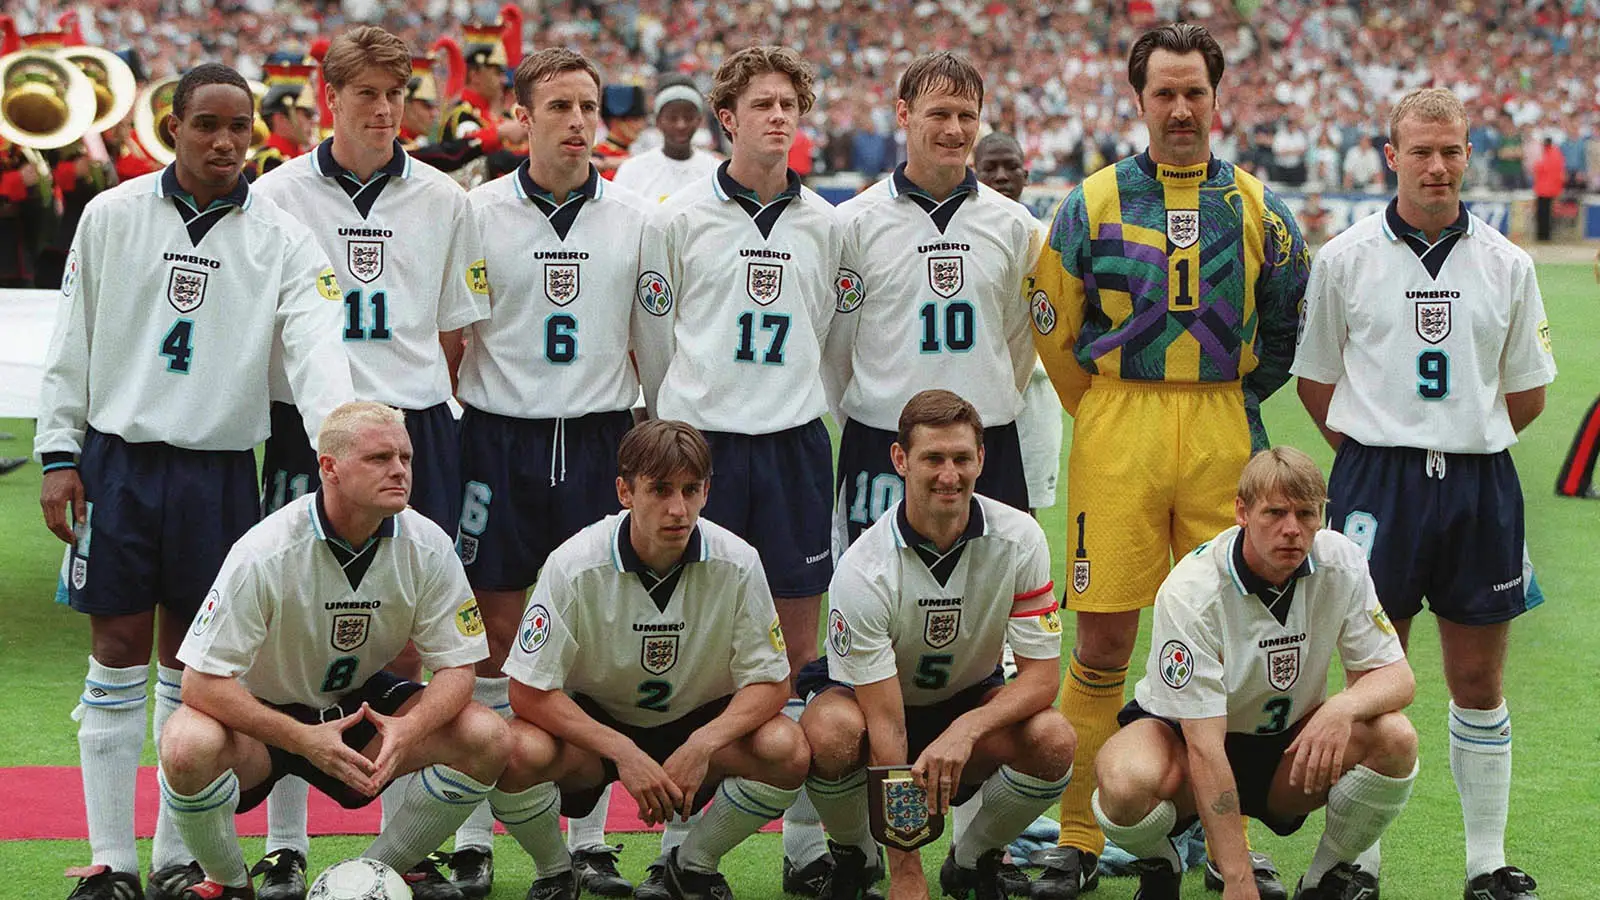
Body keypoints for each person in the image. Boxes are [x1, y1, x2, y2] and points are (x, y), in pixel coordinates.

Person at [33, 62, 353, 900]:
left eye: (238, 127)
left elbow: (316, 352)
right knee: (115, 653)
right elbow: (72, 337)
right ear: (172, 127)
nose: (223, 141)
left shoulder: (281, 236)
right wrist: (60, 454)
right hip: (119, 464)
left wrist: (343, 449)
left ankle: (176, 859)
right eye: (206, 124)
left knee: (195, 664)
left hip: (220, 474)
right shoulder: (112, 214)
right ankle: (111, 861)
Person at [1027, 23, 1309, 900]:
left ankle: (1230, 844)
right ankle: (1078, 838)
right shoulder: (1091, 201)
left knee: (1240, 639)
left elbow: (1284, 327)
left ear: (1218, 99)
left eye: (1195, 93)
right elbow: (1051, 321)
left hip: (1223, 425)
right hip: (1120, 427)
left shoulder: (1260, 208)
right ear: (1139, 99)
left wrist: (1233, 398)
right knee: (1104, 639)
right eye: (1165, 93)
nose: (1181, 109)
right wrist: (1102, 407)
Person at [1294, 87, 1556, 900]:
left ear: (1468, 155)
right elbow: (1316, 382)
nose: (1436, 166)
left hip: (1480, 481)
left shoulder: (1509, 263)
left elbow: (1527, 393)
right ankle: (1356, 862)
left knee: (1478, 681)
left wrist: (1457, 433)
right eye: (1420, 151)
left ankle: (1486, 864)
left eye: (1450, 151)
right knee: (1373, 679)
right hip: (1378, 482)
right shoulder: (1344, 258)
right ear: (1391, 156)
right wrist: (1378, 449)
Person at [249, 26, 490, 898]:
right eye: (367, 94)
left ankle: (410, 843)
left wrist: (402, 416)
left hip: (414, 424)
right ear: (331, 99)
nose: (386, 109)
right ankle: (285, 844)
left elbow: (455, 332)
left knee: (424, 627)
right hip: (308, 429)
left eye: (396, 93)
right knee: (287, 630)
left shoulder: (445, 198)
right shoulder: (275, 194)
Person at [633, 45, 842, 897]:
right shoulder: (678, 218)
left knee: (798, 648)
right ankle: (677, 846)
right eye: (762, 103)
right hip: (703, 449)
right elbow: (655, 339)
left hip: (792, 446)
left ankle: (805, 849)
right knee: (696, 650)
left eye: (790, 103)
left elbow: (830, 334)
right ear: (728, 118)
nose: (778, 116)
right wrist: (680, 424)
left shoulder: (826, 222)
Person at [156, 401, 509, 900]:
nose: (399, 470)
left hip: (357, 709)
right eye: (379, 458)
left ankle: (374, 875)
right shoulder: (265, 551)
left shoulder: (428, 544)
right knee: (185, 743)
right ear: (330, 467)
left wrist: (409, 729)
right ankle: (229, 883)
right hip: (265, 720)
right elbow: (200, 684)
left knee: (487, 735)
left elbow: (457, 668)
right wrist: (304, 739)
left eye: (405, 458)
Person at [456, 46, 657, 899]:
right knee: (491, 636)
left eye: (588, 107)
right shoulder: (476, 212)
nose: (578, 122)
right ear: (522, 116)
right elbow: (453, 337)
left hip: (602, 438)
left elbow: (649, 342)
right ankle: (472, 837)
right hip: (498, 440)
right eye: (560, 107)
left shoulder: (636, 217)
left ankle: (592, 841)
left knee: (592, 639)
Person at [496, 419, 809, 900]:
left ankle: (691, 867)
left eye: (691, 490)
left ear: (707, 492)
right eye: (660, 490)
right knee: (515, 751)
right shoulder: (574, 563)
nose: (677, 509)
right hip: (598, 729)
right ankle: (555, 872)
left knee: (786, 748)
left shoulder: (739, 561)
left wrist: (702, 744)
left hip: (699, 719)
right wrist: (623, 751)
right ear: (625, 491)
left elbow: (771, 683)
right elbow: (527, 690)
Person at [1094, 447, 1418, 900]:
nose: (1292, 529)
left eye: (1307, 514)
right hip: (1187, 744)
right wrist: (1238, 879)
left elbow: (1397, 676)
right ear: (1242, 512)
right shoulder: (1192, 590)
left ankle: (1325, 879)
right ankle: (1161, 864)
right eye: (1275, 513)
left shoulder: (1342, 561)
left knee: (1396, 738)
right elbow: (1205, 748)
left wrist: (1342, 707)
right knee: (1124, 779)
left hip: (1285, 747)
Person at [798, 390, 1075, 900]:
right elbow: (886, 726)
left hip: (968, 697)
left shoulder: (1021, 537)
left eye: (961, 458)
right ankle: (857, 854)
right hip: (875, 708)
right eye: (933, 459)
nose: (950, 475)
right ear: (900, 460)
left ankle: (973, 859)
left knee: (1053, 738)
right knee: (830, 733)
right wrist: (908, 872)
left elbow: (1041, 679)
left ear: (981, 459)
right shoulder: (864, 568)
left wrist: (966, 729)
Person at [825, 54, 1042, 552]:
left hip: (987, 441)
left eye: (967, 116)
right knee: (877, 591)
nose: (954, 130)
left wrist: (984, 397)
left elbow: (1019, 339)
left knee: (992, 592)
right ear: (903, 114)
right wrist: (876, 407)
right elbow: (836, 349)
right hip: (883, 440)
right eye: (939, 113)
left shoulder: (1014, 225)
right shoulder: (853, 222)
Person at [971, 131, 1063, 517]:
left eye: (1011, 167)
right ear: (973, 173)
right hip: (971, 391)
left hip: (1034, 396)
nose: (1001, 176)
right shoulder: (962, 238)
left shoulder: (1047, 240)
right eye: (989, 168)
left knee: (1024, 512)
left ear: (1026, 175)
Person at [613, 76, 721, 203]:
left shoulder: (714, 171)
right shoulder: (632, 170)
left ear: (699, 120)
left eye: (688, 118)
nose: (681, 125)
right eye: (672, 118)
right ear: (658, 121)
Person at [593, 84, 649, 179]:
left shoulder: (630, 154)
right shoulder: (597, 156)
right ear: (616, 122)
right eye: (635, 120)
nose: (641, 126)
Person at [1531, 137, 1565, 242]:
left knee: (1542, 214)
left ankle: (1542, 236)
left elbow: (1538, 169)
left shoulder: (1545, 155)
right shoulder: (1557, 155)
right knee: (1549, 214)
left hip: (1543, 190)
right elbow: (1559, 173)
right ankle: (1547, 236)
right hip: (1552, 190)